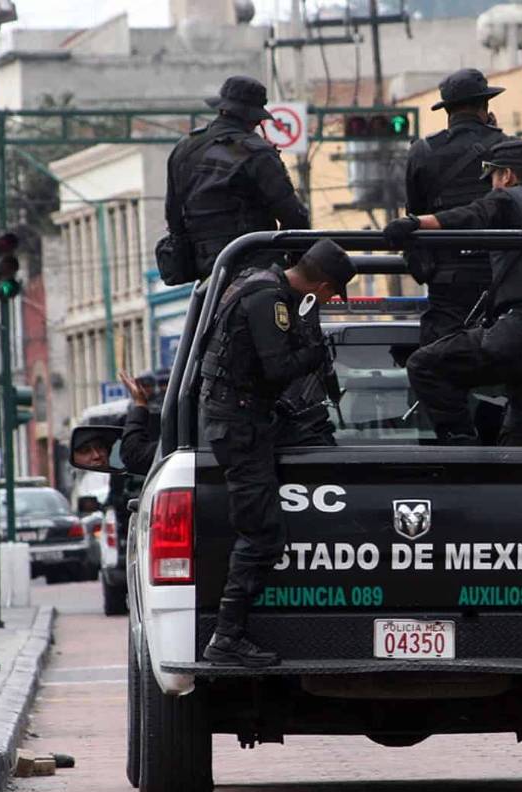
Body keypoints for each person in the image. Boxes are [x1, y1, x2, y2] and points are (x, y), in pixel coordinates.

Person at [199, 238, 356, 667]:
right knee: (261, 534)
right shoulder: (270, 299)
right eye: (331, 295)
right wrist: (315, 353)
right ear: (322, 287)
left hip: (245, 420)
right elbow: (277, 368)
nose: (328, 301)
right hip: (241, 428)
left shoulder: (257, 282)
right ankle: (226, 637)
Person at [384, 139, 522, 446]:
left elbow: (471, 215)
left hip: (514, 335)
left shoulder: (506, 199)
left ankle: (461, 447)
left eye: (493, 178)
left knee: (424, 365)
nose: (491, 186)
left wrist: (415, 222)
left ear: (507, 176)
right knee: (518, 446)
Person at [163, 75, 310, 284]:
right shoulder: (258, 152)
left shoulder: (184, 147)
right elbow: (293, 216)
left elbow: (173, 215)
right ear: (256, 118)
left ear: (221, 108)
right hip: (255, 265)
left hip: (206, 269)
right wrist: (299, 262)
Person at [404, 68, 510, 347]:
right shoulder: (506, 148)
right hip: (500, 275)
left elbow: (414, 216)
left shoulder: (422, 152)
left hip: (447, 279)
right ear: (484, 105)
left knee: (444, 354)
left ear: (447, 110)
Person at [119, 369, 162, 475]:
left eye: (149, 385)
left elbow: (134, 456)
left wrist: (140, 404)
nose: (146, 389)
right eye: (143, 385)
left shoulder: (165, 406)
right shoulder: (131, 409)